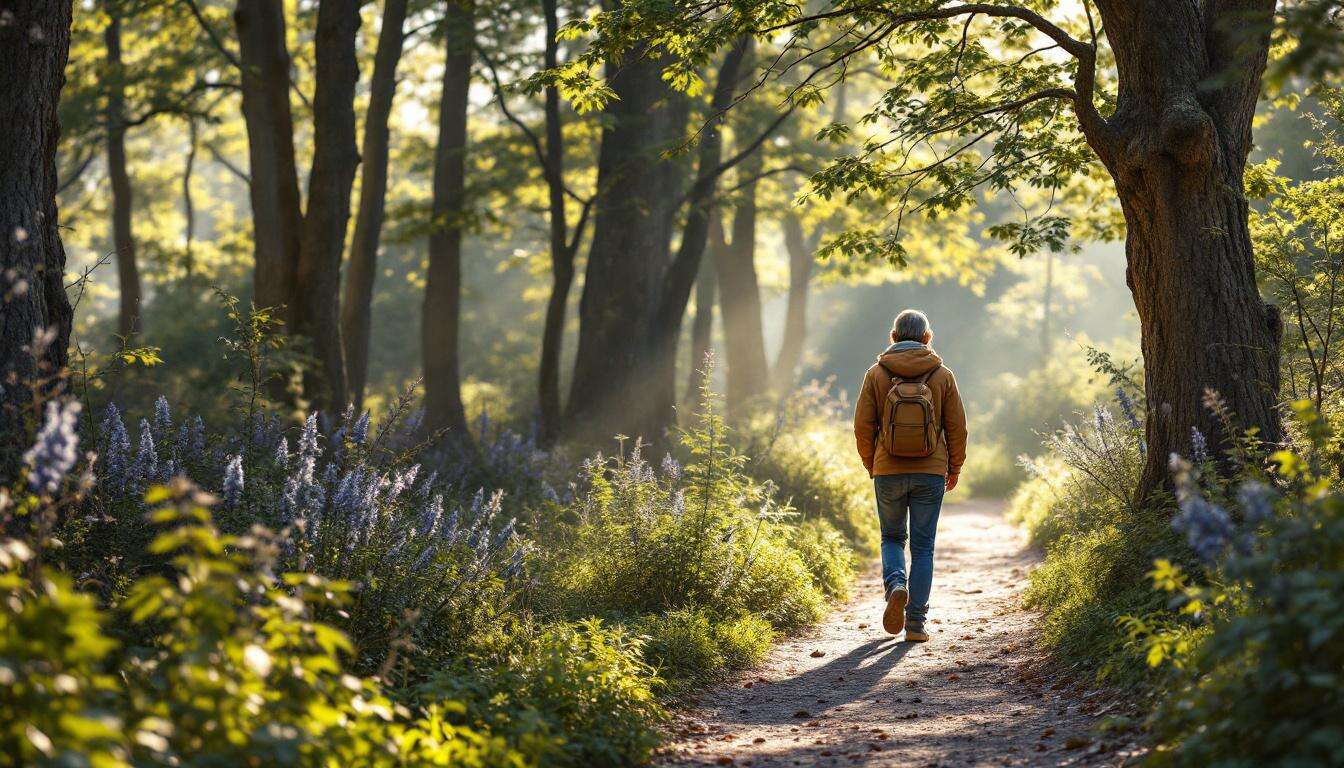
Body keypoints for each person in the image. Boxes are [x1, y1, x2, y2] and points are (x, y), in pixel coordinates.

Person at [853, 309, 967, 642]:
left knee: (891, 538)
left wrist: (871, 462)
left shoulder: (876, 374)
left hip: (887, 470)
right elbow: (957, 428)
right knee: (923, 548)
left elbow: (863, 427)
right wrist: (954, 466)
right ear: (927, 338)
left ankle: (895, 586)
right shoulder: (942, 375)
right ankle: (915, 624)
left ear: (893, 337)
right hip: (930, 473)